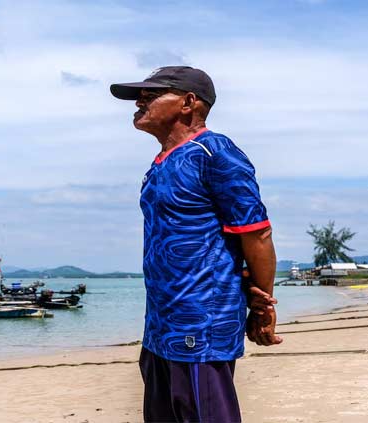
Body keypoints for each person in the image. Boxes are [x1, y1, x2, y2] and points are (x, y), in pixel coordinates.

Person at [110, 66, 282, 422]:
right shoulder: (159, 163)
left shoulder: (215, 153)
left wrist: (262, 308)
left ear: (188, 102)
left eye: (151, 94)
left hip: (201, 324)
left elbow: (257, 233)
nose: (140, 100)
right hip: (159, 325)